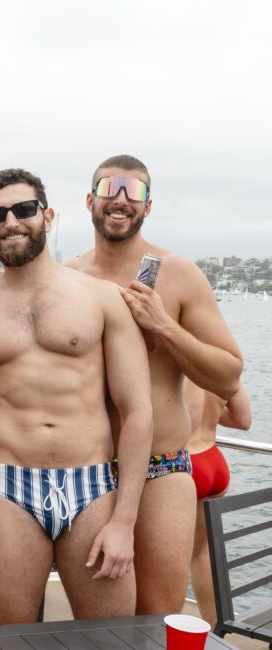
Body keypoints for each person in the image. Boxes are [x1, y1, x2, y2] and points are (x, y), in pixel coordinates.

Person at [0, 168, 153, 625]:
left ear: (47, 215)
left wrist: (124, 521)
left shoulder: (103, 299)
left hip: (93, 485)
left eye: (24, 210)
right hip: (8, 486)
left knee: (109, 639)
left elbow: (137, 410)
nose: (11, 222)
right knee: (7, 640)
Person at [67, 154, 243, 614]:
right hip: (87, 470)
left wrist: (164, 327)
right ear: (90, 200)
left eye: (135, 191)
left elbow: (228, 373)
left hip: (161, 467)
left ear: (149, 206)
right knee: (97, 623)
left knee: (156, 617)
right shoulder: (68, 279)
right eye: (110, 189)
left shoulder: (178, 274)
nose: (121, 200)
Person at [184, 378, 251, 627]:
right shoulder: (220, 365)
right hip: (214, 462)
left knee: (171, 556)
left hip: (184, 464)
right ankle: (214, 629)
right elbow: (243, 420)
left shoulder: (176, 360)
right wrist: (209, 413)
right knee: (202, 553)